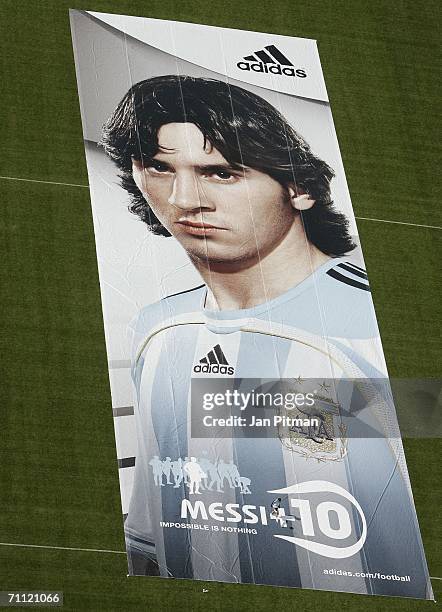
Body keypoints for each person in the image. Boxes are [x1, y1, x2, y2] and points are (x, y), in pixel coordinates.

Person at [101, 76, 430, 596]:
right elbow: (149, 519)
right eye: (160, 168)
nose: (185, 198)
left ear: (299, 187)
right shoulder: (154, 328)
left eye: (222, 173)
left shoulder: (380, 319)